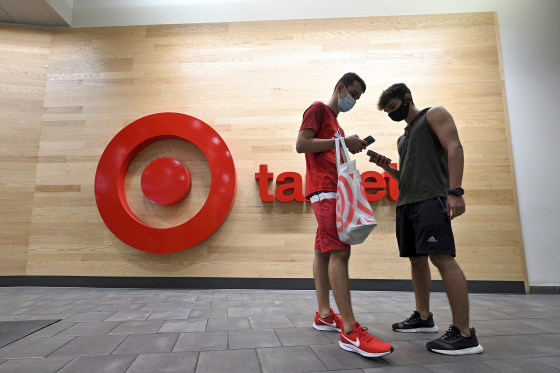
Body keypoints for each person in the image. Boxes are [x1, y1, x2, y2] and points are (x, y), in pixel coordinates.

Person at [369, 83, 483, 355]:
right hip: (407, 203)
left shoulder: (434, 114)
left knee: (442, 257)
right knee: (416, 259)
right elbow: (407, 178)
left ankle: (465, 333)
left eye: (393, 108)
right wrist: (387, 168)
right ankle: (423, 317)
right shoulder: (402, 139)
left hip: (432, 199)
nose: (391, 114)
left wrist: (455, 192)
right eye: (387, 112)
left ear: (407, 98)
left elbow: (455, 147)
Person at [296, 72, 393, 358]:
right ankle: (350, 331)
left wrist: (348, 144)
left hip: (331, 188)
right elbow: (302, 144)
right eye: (352, 93)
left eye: (358, 97)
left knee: (323, 252)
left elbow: (329, 151)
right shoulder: (318, 109)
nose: (353, 99)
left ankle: (325, 314)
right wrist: (341, 143)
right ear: (340, 88)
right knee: (340, 251)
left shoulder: (336, 123)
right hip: (324, 190)